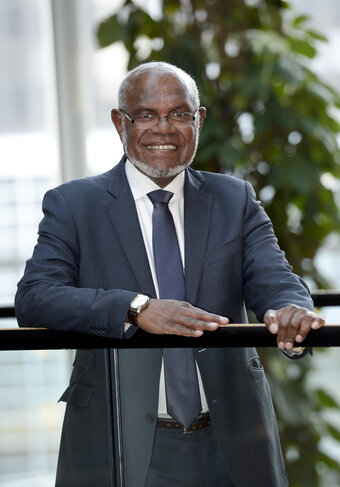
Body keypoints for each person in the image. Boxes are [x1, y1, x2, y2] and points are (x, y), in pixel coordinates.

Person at [15, 61, 325, 487]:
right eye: (146, 115)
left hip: (232, 438)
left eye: (179, 114)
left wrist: (291, 310)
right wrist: (134, 309)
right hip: (119, 441)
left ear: (198, 121)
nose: (164, 129)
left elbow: (276, 280)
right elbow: (35, 296)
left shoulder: (234, 199)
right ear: (119, 122)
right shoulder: (74, 204)